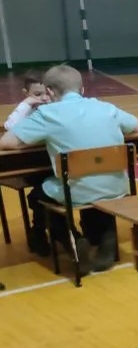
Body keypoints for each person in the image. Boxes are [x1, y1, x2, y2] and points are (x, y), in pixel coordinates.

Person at [0, 64, 138, 274]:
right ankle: (107, 235)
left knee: (37, 197)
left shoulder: (47, 114)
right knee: (96, 184)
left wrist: (36, 140)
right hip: (117, 187)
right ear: (82, 89)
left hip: (76, 192)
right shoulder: (106, 108)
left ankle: (73, 241)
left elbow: (6, 142)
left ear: (50, 92)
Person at [3, 69, 50, 255]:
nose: (43, 98)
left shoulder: (53, 107)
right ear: (26, 93)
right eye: (37, 94)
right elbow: (10, 127)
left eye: (47, 93)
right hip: (32, 166)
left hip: (52, 163)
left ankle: (49, 231)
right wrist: (25, 105)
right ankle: (40, 232)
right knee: (41, 188)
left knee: (45, 189)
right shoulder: (26, 110)